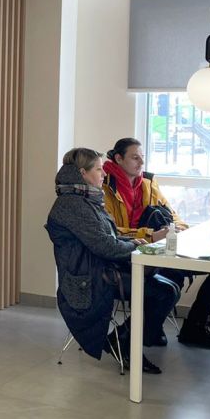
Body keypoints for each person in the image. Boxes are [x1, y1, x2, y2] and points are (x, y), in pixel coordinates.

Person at [46, 147, 181, 374]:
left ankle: (122, 340)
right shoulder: (73, 205)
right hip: (89, 279)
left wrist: (135, 241)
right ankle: (126, 344)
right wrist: (137, 245)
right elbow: (105, 246)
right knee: (163, 292)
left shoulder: (86, 199)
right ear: (83, 173)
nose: (104, 174)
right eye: (99, 169)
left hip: (101, 268)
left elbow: (108, 237)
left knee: (169, 287)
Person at [102, 137, 210, 351]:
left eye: (142, 157)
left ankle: (194, 327)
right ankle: (134, 333)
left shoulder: (148, 182)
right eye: (135, 158)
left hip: (158, 249)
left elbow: (171, 213)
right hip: (129, 254)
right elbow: (110, 231)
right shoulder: (104, 185)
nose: (141, 163)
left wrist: (178, 228)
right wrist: (151, 235)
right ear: (118, 158)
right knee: (171, 275)